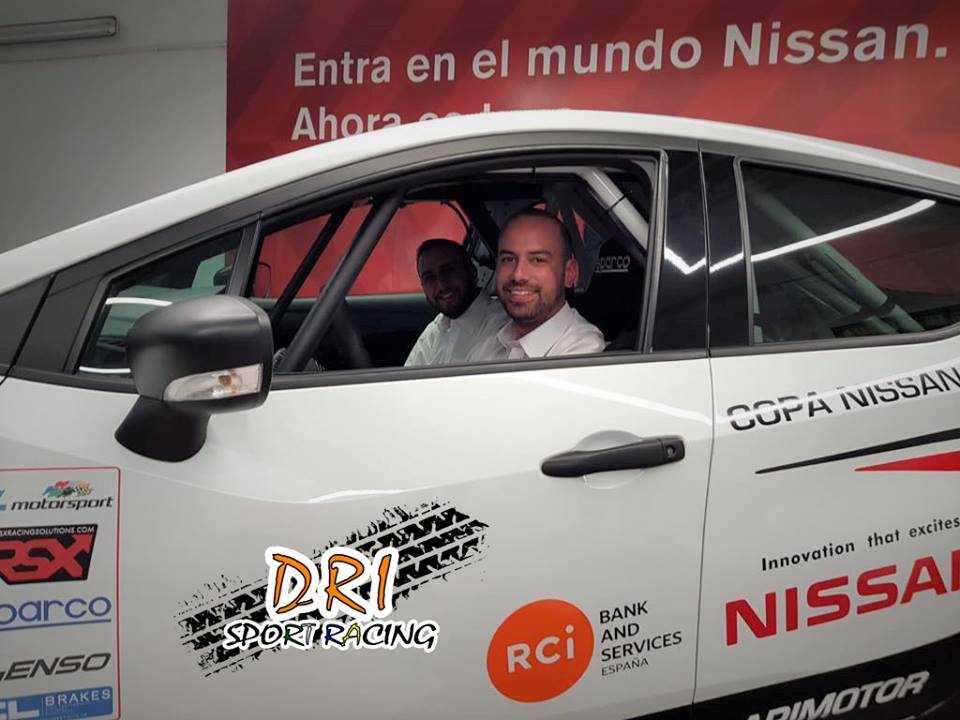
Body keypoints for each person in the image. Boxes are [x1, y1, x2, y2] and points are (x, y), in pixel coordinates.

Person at [466, 209, 604, 361]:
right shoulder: (491, 343)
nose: (518, 275)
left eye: (537, 260)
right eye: (508, 259)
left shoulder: (583, 352)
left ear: (569, 273)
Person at [404, 238, 507, 366]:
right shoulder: (437, 328)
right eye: (429, 278)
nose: (441, 285)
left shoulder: (500, 326)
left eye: (448, 271)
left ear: (472, 271)